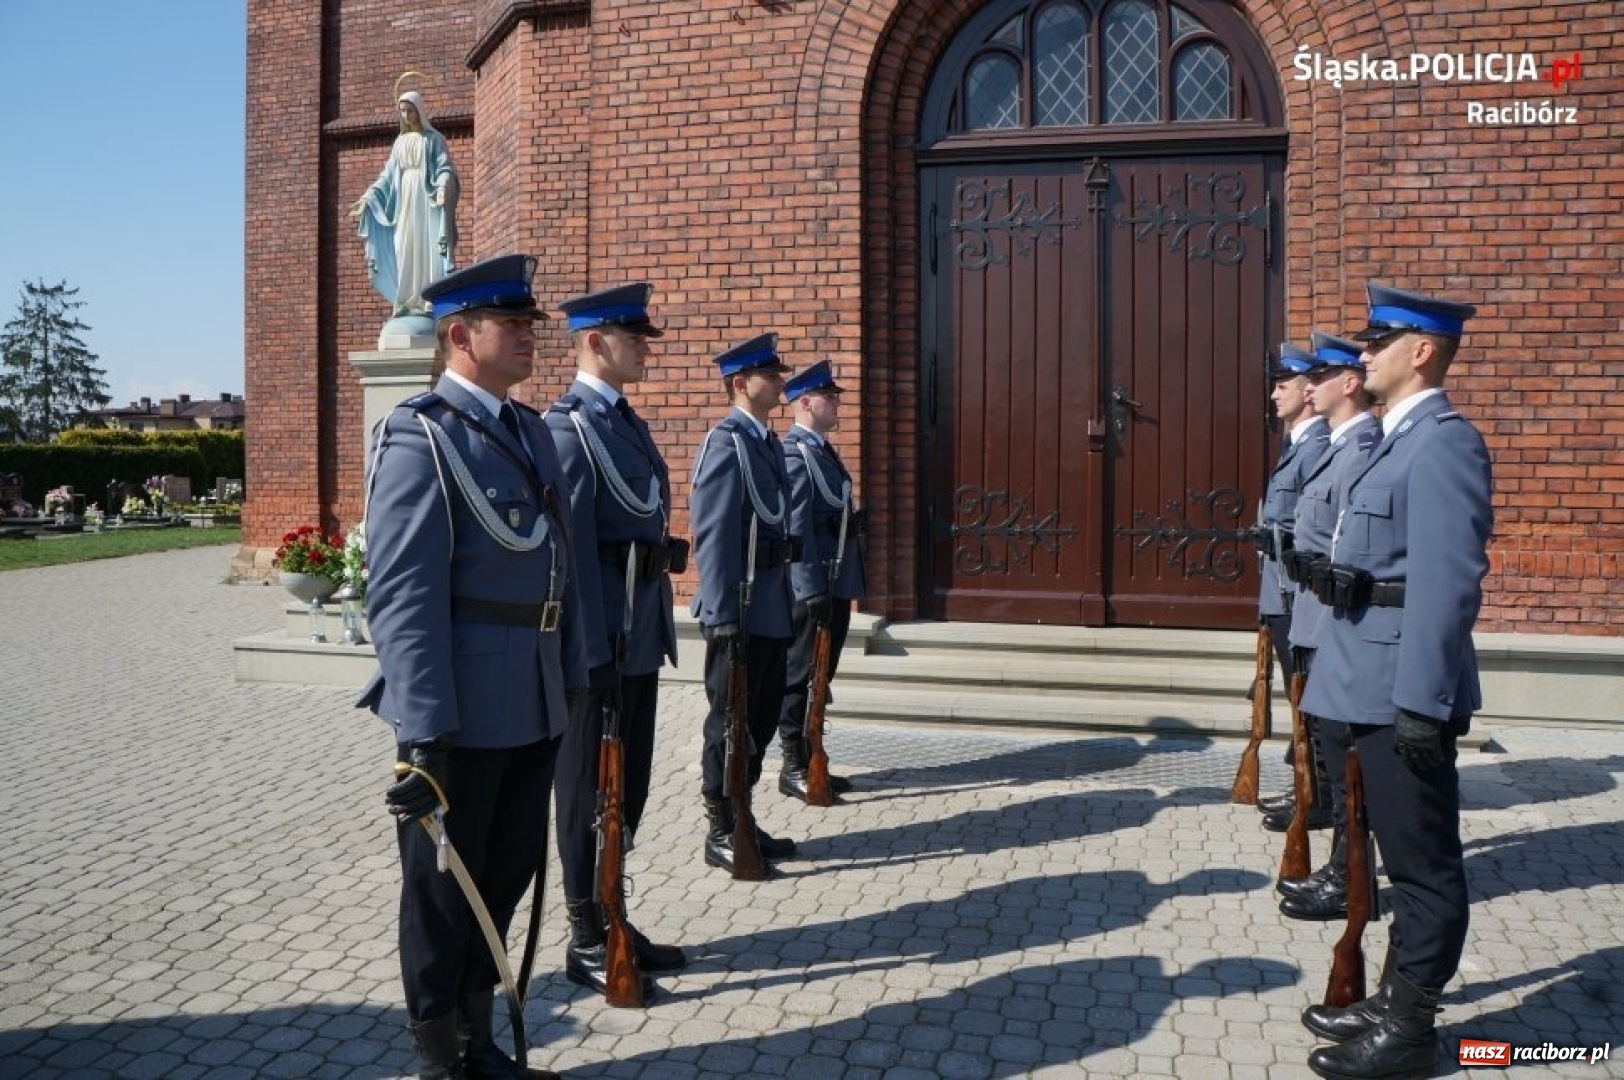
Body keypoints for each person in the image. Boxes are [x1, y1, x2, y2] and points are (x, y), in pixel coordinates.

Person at [358, 254, 586, 1080]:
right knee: (443, 893)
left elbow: (561, 565)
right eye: (512, 323)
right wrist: (424, 735)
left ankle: (477, 1042)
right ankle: (439, 1060)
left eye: (530, 323)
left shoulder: (529, 429)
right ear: (460, 335)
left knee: (504, 878)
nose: (530, 335)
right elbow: (403, 595)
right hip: (462, 709)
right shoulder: (419, 435)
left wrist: (574, 673)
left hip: (534, 697)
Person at [1298, 283, 1491, 1080]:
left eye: (1379, 342)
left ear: (1422, 351)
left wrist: (1421, 703)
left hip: (1400, 687)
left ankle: (1413, 1029)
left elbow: (1446, 586)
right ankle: (1390, 997)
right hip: (1364, 676)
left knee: (1422, 863)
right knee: (1396, 851)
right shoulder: (1394, 438)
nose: (1364, 354)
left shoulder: (1443, 443)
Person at [543, 283, 688, 998]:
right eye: (634, 338)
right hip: (600, 643)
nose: (644, 349)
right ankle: (584, 933)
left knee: (627, 786)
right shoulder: (570, 430)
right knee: (585, 791)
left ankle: (614, 914)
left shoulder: (623, 421)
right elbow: (569, 554)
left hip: (638, 633)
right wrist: (587, 653)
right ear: (596, 342)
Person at [1276, 331, 1381, 922]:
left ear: (1349, 384)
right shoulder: (1338, 447)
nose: (1308, 388)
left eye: (1320, 378)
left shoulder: (1360, 448)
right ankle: (1344, 870)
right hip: (1315, 617)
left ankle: (1351, 877)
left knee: (1347, 768)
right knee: (1333, 755)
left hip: (1335, 622)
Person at [689, 333, 799, 875]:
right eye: (770, 375)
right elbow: (712, 535)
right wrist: (723, 614)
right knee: (729, 722)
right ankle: (720, 826)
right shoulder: (726, 443)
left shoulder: (767, 443)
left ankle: (744, 815)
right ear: (740, 383)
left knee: (760, 717)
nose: (780, 382)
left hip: (773, 605)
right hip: (741, 609)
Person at [1251, 343, 1331, 831]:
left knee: (1308, 697)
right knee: (1297, 694)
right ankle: (1310, 787)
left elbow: (1311, 527)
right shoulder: (1297, 444)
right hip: (1279, 591)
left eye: (1284, 386)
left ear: (1308, 391)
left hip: (1294, 593)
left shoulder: (1317, 446)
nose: (1274, 394)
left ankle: (1318, 795)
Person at [776, 361, 864, 802]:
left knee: (822, 675)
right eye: (829, 398)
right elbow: (797, 529)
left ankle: (814, 756)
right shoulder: (795, 455)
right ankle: (793, 763)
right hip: (813, 588)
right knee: (800, 675)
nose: (836, 404)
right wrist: (810, 589)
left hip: (835, 582)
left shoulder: (823, 452)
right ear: (806, 403)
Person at [351, 90, 460, 317]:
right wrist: (368, 197)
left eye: (410, 110)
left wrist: (442, 187)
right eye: (402, 111)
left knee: (427, 245)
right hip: (404, 200)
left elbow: (445, 168)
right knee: (403, 245)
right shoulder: (399, 143)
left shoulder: (433, 139)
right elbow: (387, 176)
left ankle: (428, 298)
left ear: (419, 111)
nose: (406, 115)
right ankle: (406, 300)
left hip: (427, 199)